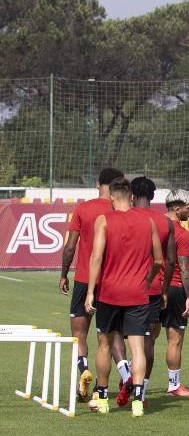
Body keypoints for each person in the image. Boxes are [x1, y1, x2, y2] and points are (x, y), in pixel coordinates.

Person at [84, 175, 163, 416]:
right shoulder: (148, 221)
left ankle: (103, 399)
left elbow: (96, 257)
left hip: (109, 292)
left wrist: (90, 291)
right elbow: (159, 260)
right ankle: (138, 401)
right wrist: (147, 280)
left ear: (111, 198)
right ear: (131, 196)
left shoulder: (103, 220)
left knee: (104, 345)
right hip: (138, 293)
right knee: (137, 346)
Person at [58, 166, 123, 402]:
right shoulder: (121, 210)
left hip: (84, 279)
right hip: (111, 282)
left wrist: (64, 274)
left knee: (79, 334)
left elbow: (70, 246)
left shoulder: (83, 209)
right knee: (108, 338)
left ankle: (84, 369)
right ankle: (102, 385)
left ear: (98, 184)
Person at [117, 175, 176, 407]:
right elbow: (170, 261)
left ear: (131, 195)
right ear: (153, 196)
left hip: (122, 286)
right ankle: (141, 390)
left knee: (115, 335)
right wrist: (164, 289)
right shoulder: (164, 223)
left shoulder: (122, 218)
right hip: (151, 289)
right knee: (148, 340)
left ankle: (125, 376)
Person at [161, 193, 189, 397]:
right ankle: (174, 385)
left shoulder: (153, 224)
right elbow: (185, 268)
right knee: (174, 340)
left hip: (150, 289)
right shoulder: (181, 233)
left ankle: (134, 381)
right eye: (188, 207)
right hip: (174, 288)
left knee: (146, 339)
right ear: (177, 208)